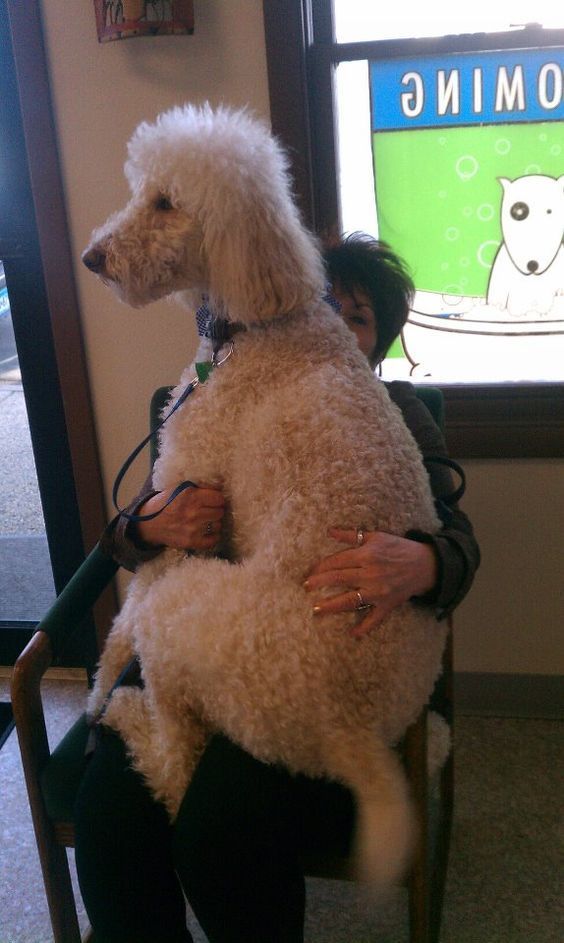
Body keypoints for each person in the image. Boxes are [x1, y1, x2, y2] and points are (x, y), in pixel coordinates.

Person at [74, 234, 479, 943]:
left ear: (380, 338)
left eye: (354, 316)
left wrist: (423, 563)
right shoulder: (215, 393)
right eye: (322, 307)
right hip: (197, 642)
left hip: (311, 659)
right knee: (109, 815)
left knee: (219, 832)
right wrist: (155, 522)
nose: (332, 326)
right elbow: (123, 534)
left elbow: (460, 541)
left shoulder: (400, 414)